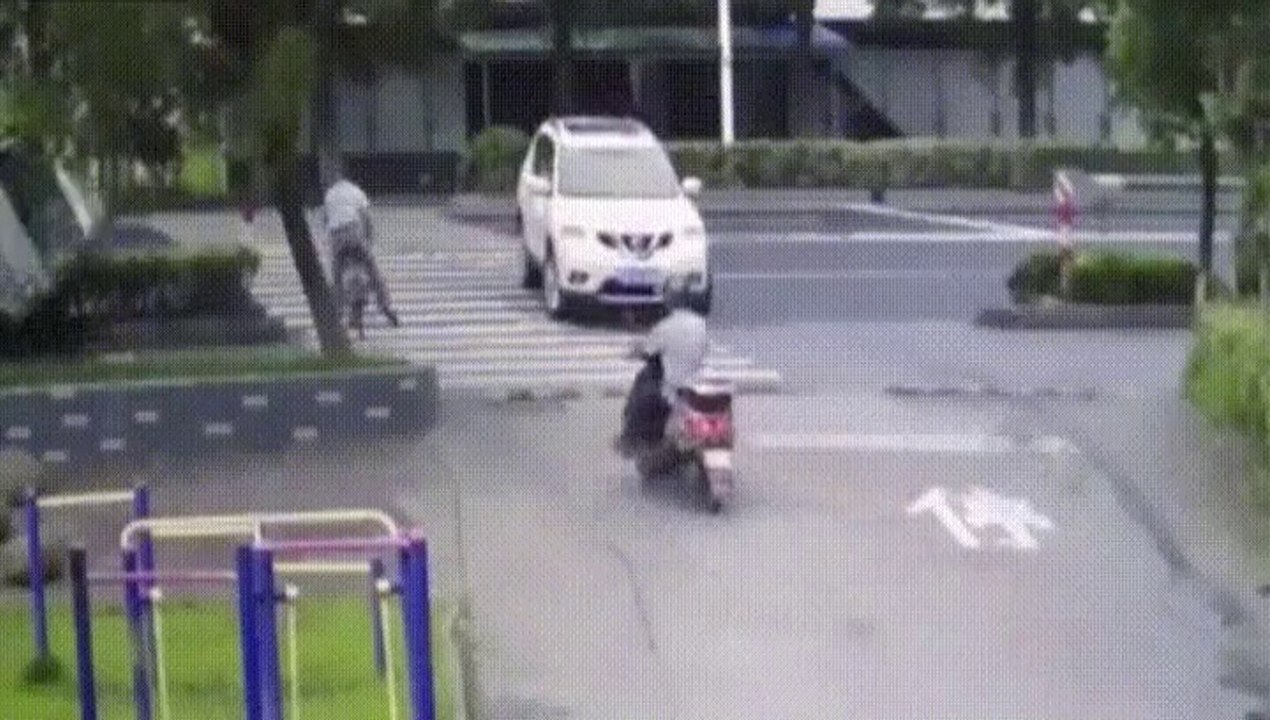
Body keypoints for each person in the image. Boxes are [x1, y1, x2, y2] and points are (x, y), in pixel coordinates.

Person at [617, 276, 710, 454]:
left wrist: (632, 352)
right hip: (697, 386)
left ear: (669, 301)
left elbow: (646, 350)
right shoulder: (700, 324)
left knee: (642, 388)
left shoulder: (665, 327)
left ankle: (630, 439)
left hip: (673, 390)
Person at [323, 167, 400, 328]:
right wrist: (369, 240)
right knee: (373, 271)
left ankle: (337, 312)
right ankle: (386, 306)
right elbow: (366, 217)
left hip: (337, 237)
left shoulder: (329, 194)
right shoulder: (356, 191)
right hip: (355, 234)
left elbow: (326, 220)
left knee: (337, 276)